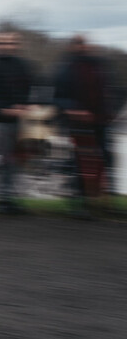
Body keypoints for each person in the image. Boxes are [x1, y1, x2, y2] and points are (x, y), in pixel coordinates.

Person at [53, 34, 114, 214]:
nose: (83, 46)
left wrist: (111, 111)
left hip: (100, 122)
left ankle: (97, 200)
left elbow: (109, 90)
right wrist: (75, 110)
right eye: (79, 43)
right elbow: (58, 98)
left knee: (103, 160)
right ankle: (79, 201)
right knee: (81, 162)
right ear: (72, 46)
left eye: (84, 43)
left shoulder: (98, 66)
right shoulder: (65, 70)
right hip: (79, 123)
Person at [0, 32, 34, 214]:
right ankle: (0, 199)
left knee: (17, 162)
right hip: (0, 122)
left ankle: (13, 198)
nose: (6, 46)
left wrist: (26, 106)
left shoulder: (24, 66)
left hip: (22, 122)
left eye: (10, 43)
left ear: (16, 45)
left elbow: (32, 89)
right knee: (2, 161)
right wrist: (6, 109)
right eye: (1, 43)